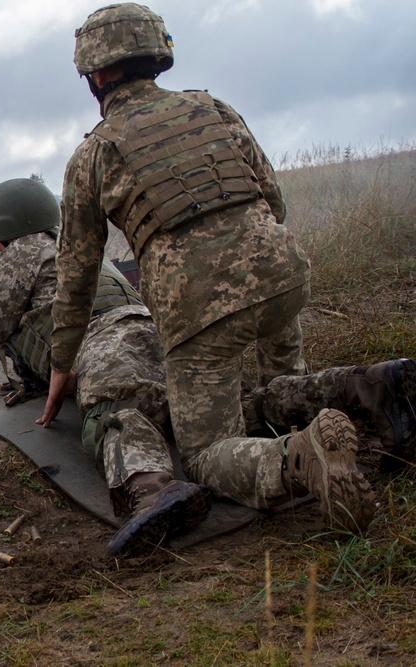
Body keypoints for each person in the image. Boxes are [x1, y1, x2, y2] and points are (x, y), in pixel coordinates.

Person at [40, 3, 378, 534]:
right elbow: (273, 200)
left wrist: (62, 362)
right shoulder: (213, 109)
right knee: (277, 389)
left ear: (96, 76)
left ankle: (297, 459)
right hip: (284, 275)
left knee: (204, 453)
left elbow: (78, 274)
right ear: (157, 55)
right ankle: (375, 397)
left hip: (199, 314)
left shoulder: (93, 156)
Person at [0, 177, 212, 557]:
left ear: (1, 228)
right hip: (152, 329)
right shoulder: (76, 241)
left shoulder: (24, 251)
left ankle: (152, 493)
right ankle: (329, 389)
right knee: (214, 403)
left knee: (111, 418)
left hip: (103, 343)